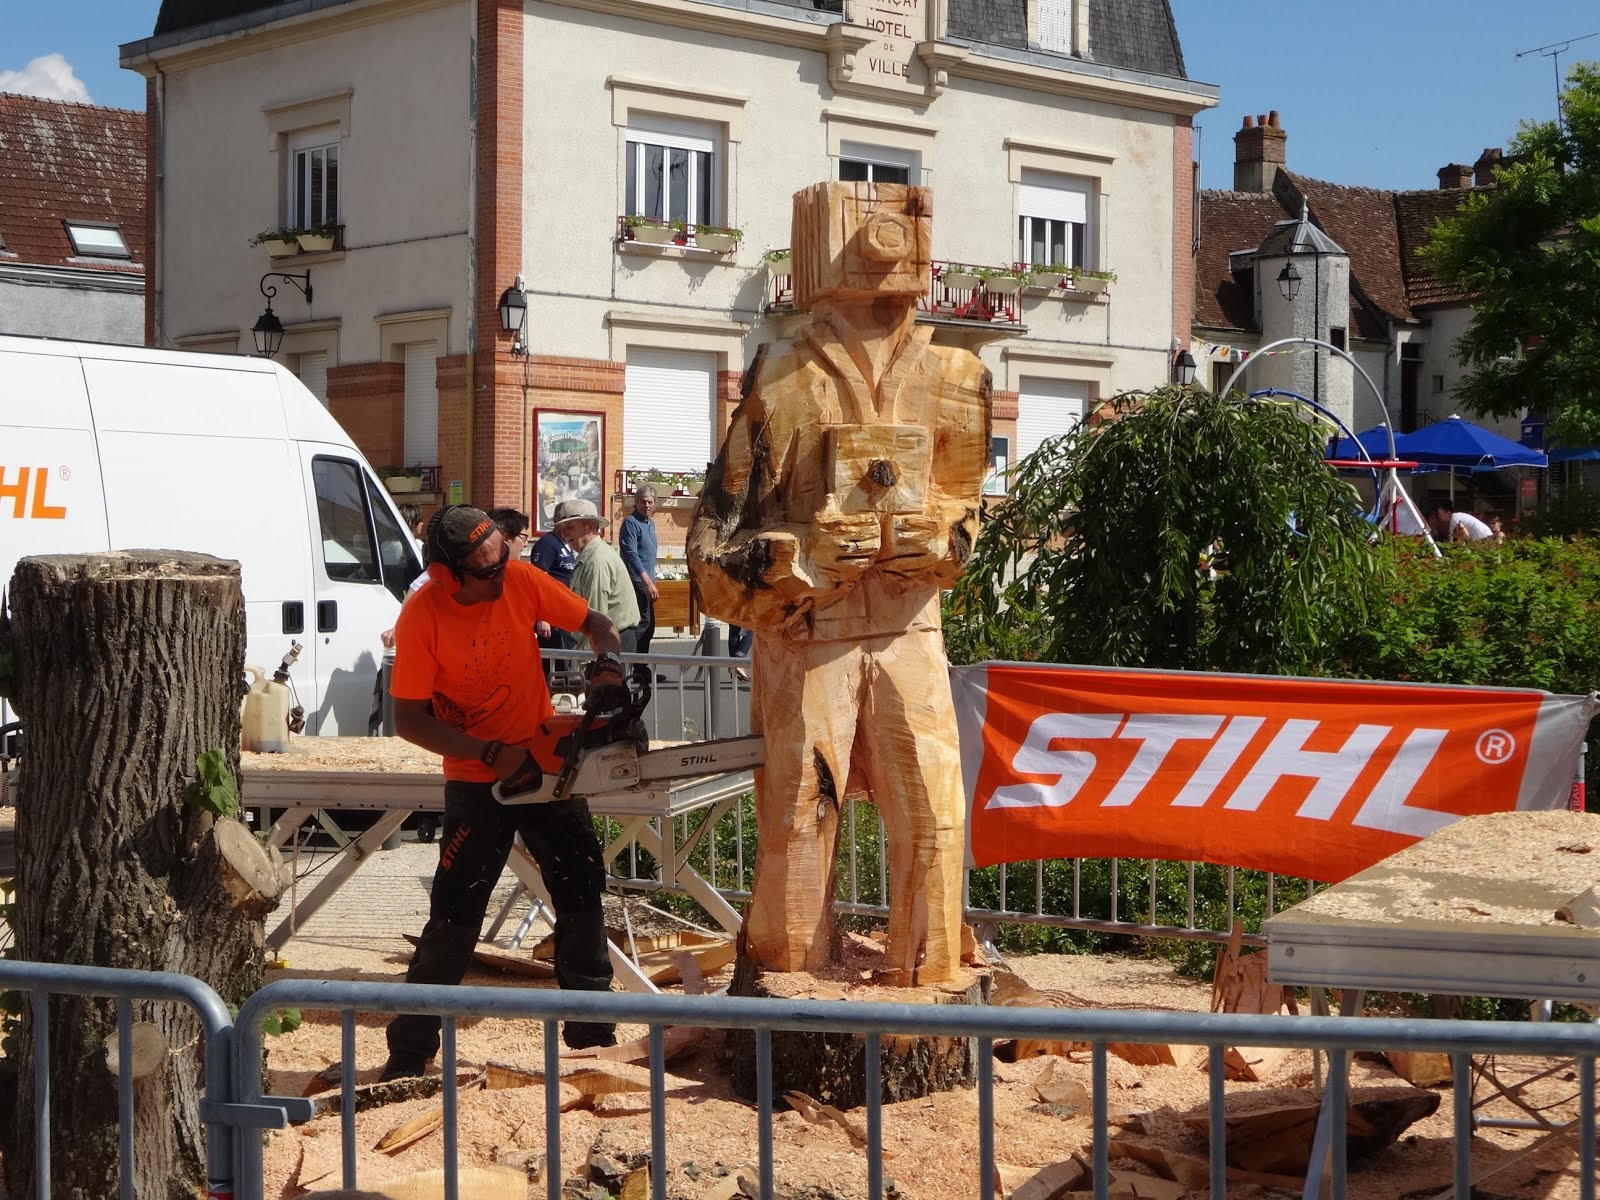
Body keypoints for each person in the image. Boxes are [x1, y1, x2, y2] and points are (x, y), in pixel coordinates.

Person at [688, 181, 988, 985]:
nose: (891, 242)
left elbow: (969, 511)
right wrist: (798, 559)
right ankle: (791, 979)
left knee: (935, 819)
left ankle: (928, 977)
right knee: (798, 819)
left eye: (907, 222)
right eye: (867, 225)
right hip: (807, 638)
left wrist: (946, 537)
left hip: (909, 632)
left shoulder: (958, 375)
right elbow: (710, 547)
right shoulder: (781, 376)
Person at [379, 504, 627, 1079]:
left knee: (583, 892)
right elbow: (409, 720)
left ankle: (592, 1038)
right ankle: (409, 1052)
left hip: (546, 763)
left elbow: (598, 624)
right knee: (456, 915)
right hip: (476, 781)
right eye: (486, 571)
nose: (501, 576)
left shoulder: (518, 579)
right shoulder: (423, 616)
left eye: (504, 560)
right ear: (446, 575)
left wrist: (608, 663)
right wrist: (490, 753)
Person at [555, 498, 642, 654]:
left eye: (569, 527)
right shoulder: (590, 555)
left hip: (608, 642)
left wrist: (583, 658)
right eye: (562, 528)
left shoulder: (596, 560)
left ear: (590, 526)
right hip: (607, 640)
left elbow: (596, 617)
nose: (563, 534)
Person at [528, 517, 580, 684]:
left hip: (567, 614)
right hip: (553, 618)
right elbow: (537, 581)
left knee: (566, 666)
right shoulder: (547, 544)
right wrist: (541, 617)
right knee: (559, 669)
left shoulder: (566, 544)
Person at [618, 486, 659, 657]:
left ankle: (640, 668)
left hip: (647, 581)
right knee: (642, 624)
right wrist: (646, 581)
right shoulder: (631, 523)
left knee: (648, 626)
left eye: (650, 502)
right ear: (636, 503)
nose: (647, 505)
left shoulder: (650, 523)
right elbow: (631, 555)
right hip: (636, 581)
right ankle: (629, 663)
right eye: (643, 502)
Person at [1427, 501, 1494, 543]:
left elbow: (1465, 535)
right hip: (1485, 535)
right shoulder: (1457, 516)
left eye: (1440, 513)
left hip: (1482, 538)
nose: (1439, 516)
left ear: (1448, 513)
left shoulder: (1455, 519)